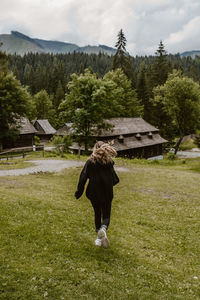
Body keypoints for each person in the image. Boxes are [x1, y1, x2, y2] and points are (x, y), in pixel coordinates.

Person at [75, 141, 119, 248]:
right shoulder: (109, 162)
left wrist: (79, 192)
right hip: (107, 192)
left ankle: (99, 239)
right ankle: (103, 229)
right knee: (106, 215)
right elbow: (115, 179)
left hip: (93, 192)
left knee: (97, 213)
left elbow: (83, 177)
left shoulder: (90, 162)